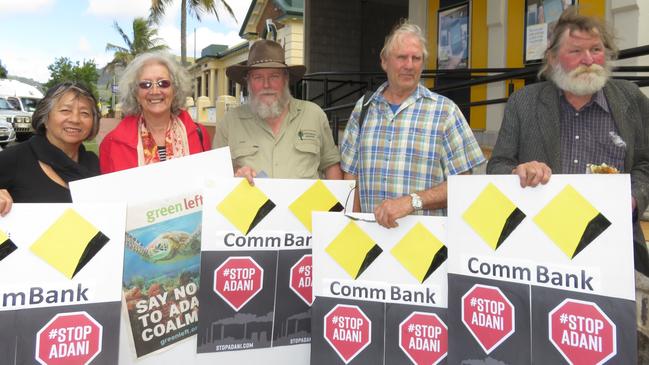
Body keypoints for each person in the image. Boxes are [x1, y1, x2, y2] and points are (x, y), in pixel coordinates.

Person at [487, 8, 649, 275]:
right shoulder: (524, 102)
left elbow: (645, 163)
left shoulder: (631, 99)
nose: (589, 60)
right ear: (552, 59)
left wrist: (632, 199)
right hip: (539, 246)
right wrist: (518, 171)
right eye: (575, 51)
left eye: (596, 49)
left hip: (614, 245)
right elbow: (498, 166)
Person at [340, 21, 485, 228]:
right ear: (384, 61)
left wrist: (412, 201)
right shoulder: (363, 109)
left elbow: (464, 186)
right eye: (401, 57)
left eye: (416, 58)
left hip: (424, 245)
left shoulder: (445, 112)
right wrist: (353, 227)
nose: (409, 65)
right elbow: (350, 178)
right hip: (372, 242)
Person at [214, 40, 342, 183]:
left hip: (306, 206)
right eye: (258, 77)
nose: (266, 84)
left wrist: (339, 205)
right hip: (250, 205)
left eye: (274, 76)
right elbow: (215, 178)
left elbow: (331, 165)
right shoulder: (230, 122)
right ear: (248, 81)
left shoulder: (314, 115)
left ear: (285, 79)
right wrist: (235, 177)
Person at [0, 82, 101, 216]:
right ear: (45, 118)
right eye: (65, 110)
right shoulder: (12, 159)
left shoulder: (93, 163)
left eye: (84, 113)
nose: (75, 119)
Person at [100, 51, 210, 173]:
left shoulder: (199, 134)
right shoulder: (112, 144)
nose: (155, 91)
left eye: (163, 83)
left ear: (174, 89)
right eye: (146, 84)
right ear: (136, 93)